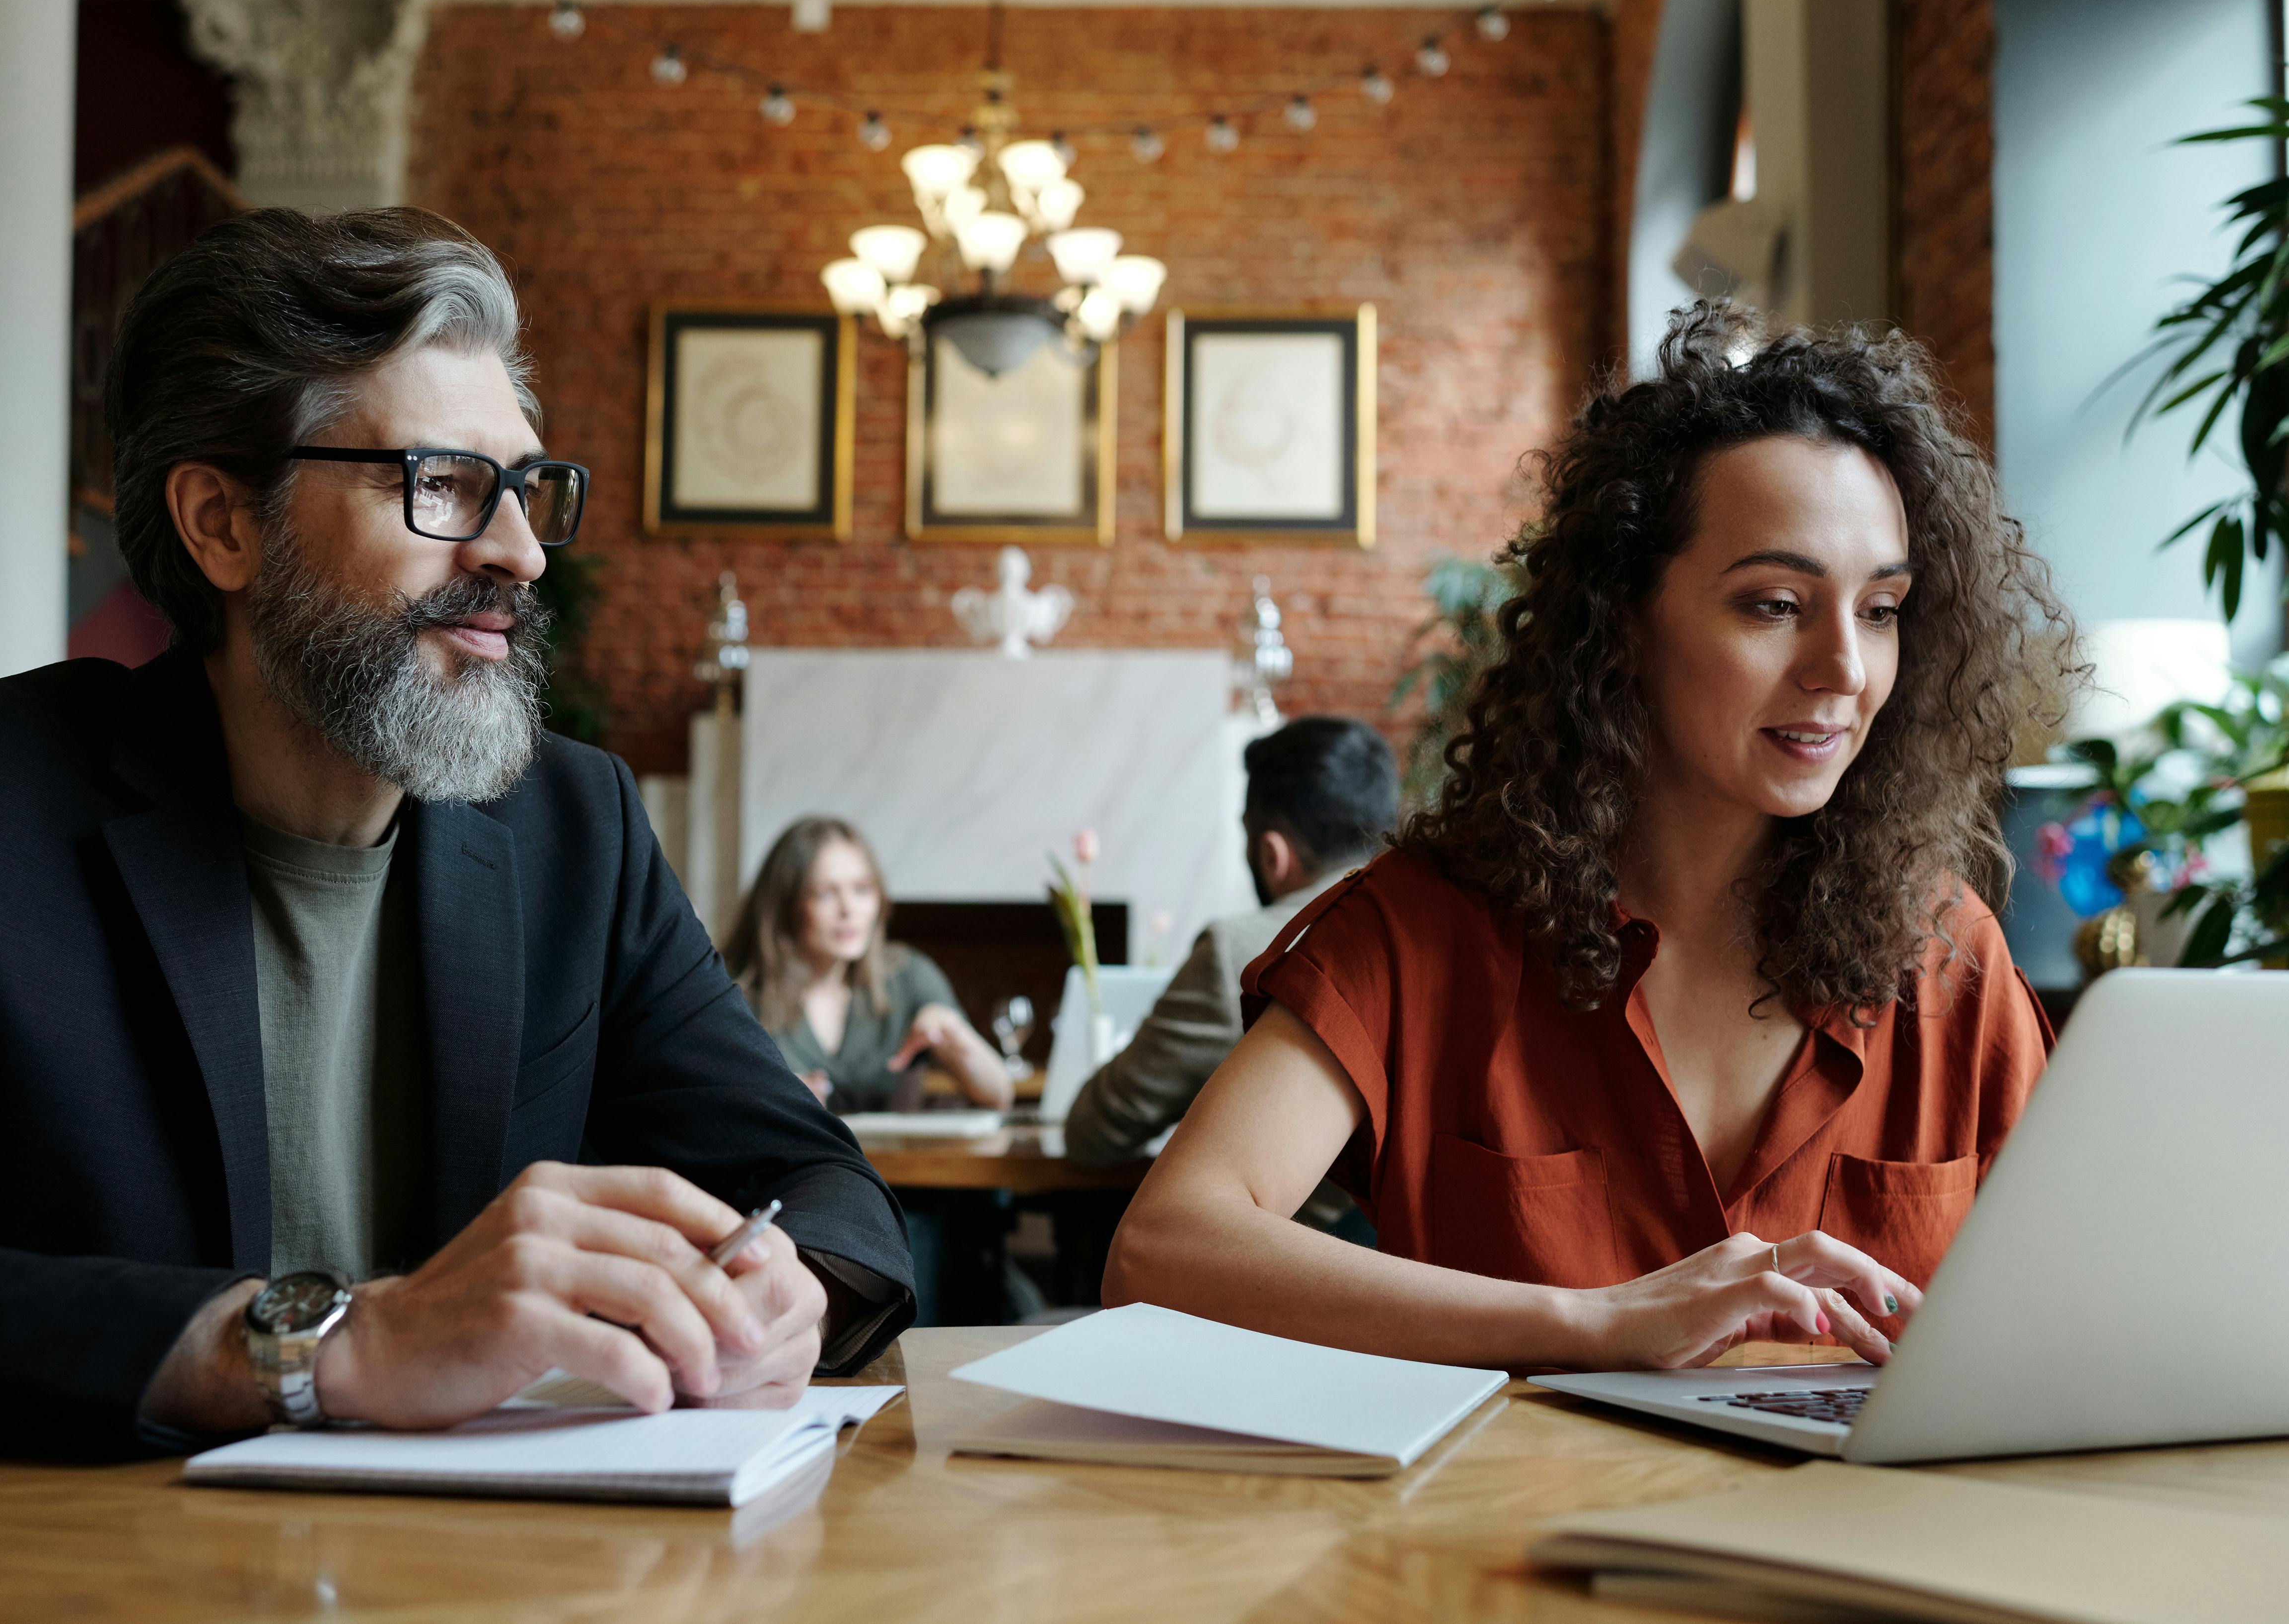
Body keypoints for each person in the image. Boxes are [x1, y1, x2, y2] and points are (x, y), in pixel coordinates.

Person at [0, 208, 912, 1458]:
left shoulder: (573, 828)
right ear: (223, 524)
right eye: (441, 485)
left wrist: (788, 1292)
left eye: (528, 488)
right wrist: (332, 1347)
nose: (521, 552)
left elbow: (817, 1183)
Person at [1107, 302, 2079, 1373]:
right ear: (1624, 617)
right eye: (1772, 604)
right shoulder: (1424, 934)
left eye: (1882, 608)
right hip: (1499, 1536)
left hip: (1863, 1537)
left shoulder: (1946, 954)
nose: (1844, 668)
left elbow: (2087, 1311)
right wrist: (1597, 1324)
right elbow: (1160, 1251)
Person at [1064, 716, 1398, 1238]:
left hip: (1276, 1293)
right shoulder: (1434, 944)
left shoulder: (1241, 954)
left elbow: (1095, 1131)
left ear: (1272, 853)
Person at [724, 817, 1013, 1115]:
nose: (849, 909)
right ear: (785, 905)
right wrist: (772, 1103)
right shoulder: (732, 992)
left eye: (862, 889)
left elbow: (999, 1094)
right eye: (825, 893)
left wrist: (956, 1035)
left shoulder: (908, 974)